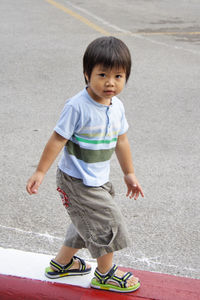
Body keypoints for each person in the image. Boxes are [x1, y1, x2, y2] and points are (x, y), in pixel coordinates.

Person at [26, 36, 144, 293]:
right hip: (77, 180)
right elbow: (58, 138)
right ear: (86, 74)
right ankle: (105, 274)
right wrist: (40, 171)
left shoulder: (117, 107)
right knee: (107, 222)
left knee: (85, 222)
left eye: (119, 76)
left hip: (98, 178)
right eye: (102, 74)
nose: (110, 82)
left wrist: (129, 173)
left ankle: (62, 264)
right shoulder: (77, 106)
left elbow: (121, 141)